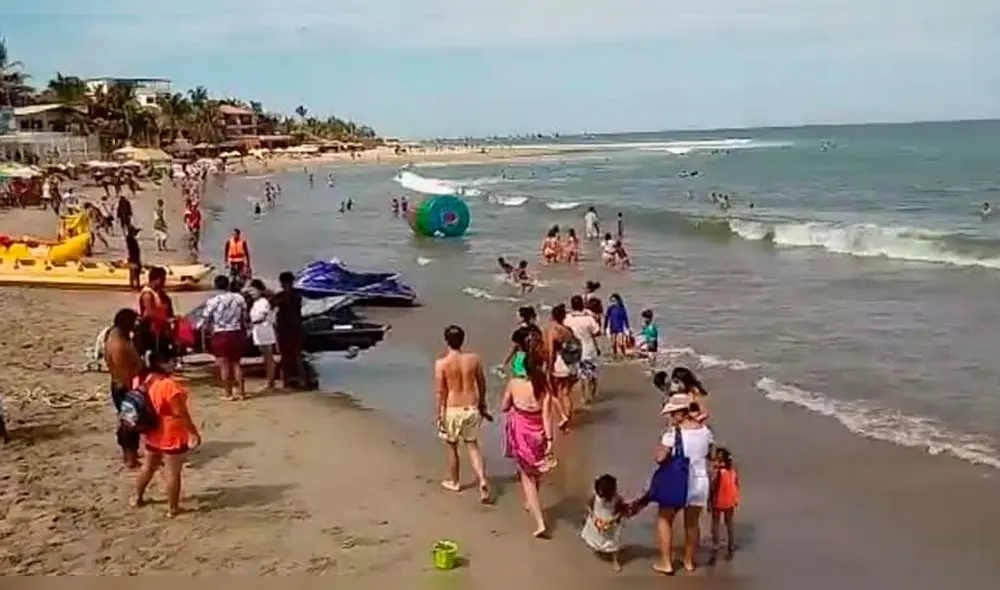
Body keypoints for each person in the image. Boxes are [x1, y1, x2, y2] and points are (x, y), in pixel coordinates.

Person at [132, 349, 202, 518]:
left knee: (148, 467)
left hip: (152, 430)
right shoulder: (169, 385)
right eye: (170, 361)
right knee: (173, 472)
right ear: (161, 363)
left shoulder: (144, 380)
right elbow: (180, 412)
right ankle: (173, 508)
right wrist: (193, 432)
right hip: (171, 432)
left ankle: (137, 497)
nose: (173, 364)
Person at [650, 394, 714, 575]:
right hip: (701, 482)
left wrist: (662, 445)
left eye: (672, 413)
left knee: (664, 518)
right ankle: (689, 561)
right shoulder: (705, 431)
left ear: (680, 413)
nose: (670, 417)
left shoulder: (672, 434)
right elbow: (709, 454)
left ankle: (666, 562)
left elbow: (660, 458)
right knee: (692, 523)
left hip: (679, 482)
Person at [501, 328, 555, 538]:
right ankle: (529, 502)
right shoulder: (544, 387)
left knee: (526, 476)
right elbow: (547, 416)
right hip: (539, 432)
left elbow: (505, 406)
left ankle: (539, 521)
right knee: (537, 471)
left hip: (521, 431)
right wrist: (550, 440)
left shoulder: (514, 384)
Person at [434, 325, 492, 502]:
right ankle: (482, 480)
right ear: (462, 340)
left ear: (446, 341)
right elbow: (482, 383)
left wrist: (438, 414)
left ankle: (455, 481)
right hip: (471, 406)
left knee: (452, 446)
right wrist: (482, 403)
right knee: (472, 445)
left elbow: (440, 391)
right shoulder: (473, 359)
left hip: (453, 407)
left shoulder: (441, 363)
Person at [197, 275, 249, 401]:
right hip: (236, 331)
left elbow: (206, 319)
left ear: (216, 286)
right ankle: (241, 392)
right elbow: (245, 316)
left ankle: (228, 393)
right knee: (237, 363)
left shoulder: (213, 301)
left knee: (224, 365)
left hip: (220, 333)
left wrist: (205, 330)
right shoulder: (239, 298)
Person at [104, 308, 142, 468]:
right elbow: (124, 373)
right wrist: (135, 394)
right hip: (125, 388)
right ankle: (130, 459)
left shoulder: (115, 335)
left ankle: (130, 455)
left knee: (127, 422)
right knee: (130, 423)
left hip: (121, 386)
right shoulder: (119, 345)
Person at [580, 474, 629, 571]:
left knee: (614, 542)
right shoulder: (595, 496)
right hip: (597, 521)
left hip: (612, 524)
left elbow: (621, 512)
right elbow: (588, 507)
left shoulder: (617, 499)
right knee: (597, 539)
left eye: (602, 492)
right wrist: (595, 518)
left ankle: (615, 561)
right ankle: (600, 550)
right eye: (599, 491)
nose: (600, 494)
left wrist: (611, 521)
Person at [544, 303, 579, 430]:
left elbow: (551, 351)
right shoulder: (567, 330)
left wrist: (548, 367)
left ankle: (563, 416)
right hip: (570, 363)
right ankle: (568, 420)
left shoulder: (552, 330)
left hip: (558, 363)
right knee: (566, 393)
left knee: (553, 392)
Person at [564, 295, 602, 406]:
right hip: (589, 348)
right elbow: (597, 332)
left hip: (574, 350)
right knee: (592, 375)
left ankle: (583, 397)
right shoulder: (588, 319)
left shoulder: (567, 318)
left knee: (581, 375)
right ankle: (591, 396)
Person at [272, 271, 305, 389]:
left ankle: (285, 381)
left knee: (285, 355)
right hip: (297, 326)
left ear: (281, 282)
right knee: (297, 354)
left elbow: (270, 305)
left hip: (284, 327)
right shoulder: (298, 295)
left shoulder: (280, 296)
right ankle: (302, 380)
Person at [136, 266, 176, 361]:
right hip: (150, 328)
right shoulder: (147, 294)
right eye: (163, 279)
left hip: (161, 328)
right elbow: (149, 312)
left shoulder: (160, 293)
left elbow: (166, 307)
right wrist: (166, 319)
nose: (164, 282)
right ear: (157, 279)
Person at [709, 446, 740, 561]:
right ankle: (731, 544)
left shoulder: (718, 472)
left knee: (715, 523)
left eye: (717, 459)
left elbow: (713, 488)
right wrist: (736, 498)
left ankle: (716, 543)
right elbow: (736, 485)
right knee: (729, 523)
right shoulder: (732, 471)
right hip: (730, 500)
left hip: (718, 500)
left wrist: (709, 501)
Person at [248, 278, 277, 391]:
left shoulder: (264, 302)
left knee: (268, 357)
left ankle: (271, 382)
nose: (251, 293)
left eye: (253, 291)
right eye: (250, 291)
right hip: (258, 332)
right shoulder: (255, 303)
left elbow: (261, 317)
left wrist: (251, 322)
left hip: (265, 331)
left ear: (259, 290)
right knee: (265, 357)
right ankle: (269, 380)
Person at [501, 306, 543, 377]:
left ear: (523, 318)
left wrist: (504, 362)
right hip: (534, 360)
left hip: (520, 359)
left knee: (520, 382)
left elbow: (513, 349)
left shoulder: (519, 333)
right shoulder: (536, 330)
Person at [604, 293, 631, 360]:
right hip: (612, 328)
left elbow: (625, 318)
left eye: (614, 301)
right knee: (613, 344)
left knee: (620, 343)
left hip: (620, 328)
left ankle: (624, 354)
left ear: (618, 300)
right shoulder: (610, 309)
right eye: (611, 301)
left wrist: (628, 328)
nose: (613, 302)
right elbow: (607, 318)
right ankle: (615, 355)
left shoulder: (622, 308)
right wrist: (604, 327)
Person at [125, 226, 142, 291]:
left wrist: (138, 230)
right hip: (133, 258)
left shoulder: (131, 238)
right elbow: (129, 236)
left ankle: (135, 285)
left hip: (135, 258)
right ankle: (134, 286)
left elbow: (135, 233)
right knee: (134, 273)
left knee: (136, 273)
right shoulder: (130, 239)